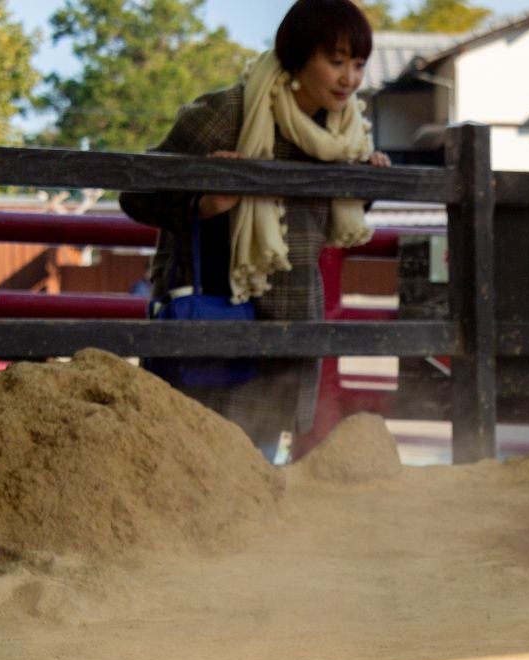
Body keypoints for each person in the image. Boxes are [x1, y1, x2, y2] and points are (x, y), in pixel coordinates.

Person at [120, 0, 393, 459]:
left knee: (261, 465)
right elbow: (135, 192)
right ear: (299, 57)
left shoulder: (347, 132)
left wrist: (363, 180)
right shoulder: (229, 113)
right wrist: (202, 201)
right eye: (336, 61)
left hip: (290, 315)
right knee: (200, 458)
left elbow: (323, 219)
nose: (350, 78)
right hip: (222, 308)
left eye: (359, 64)